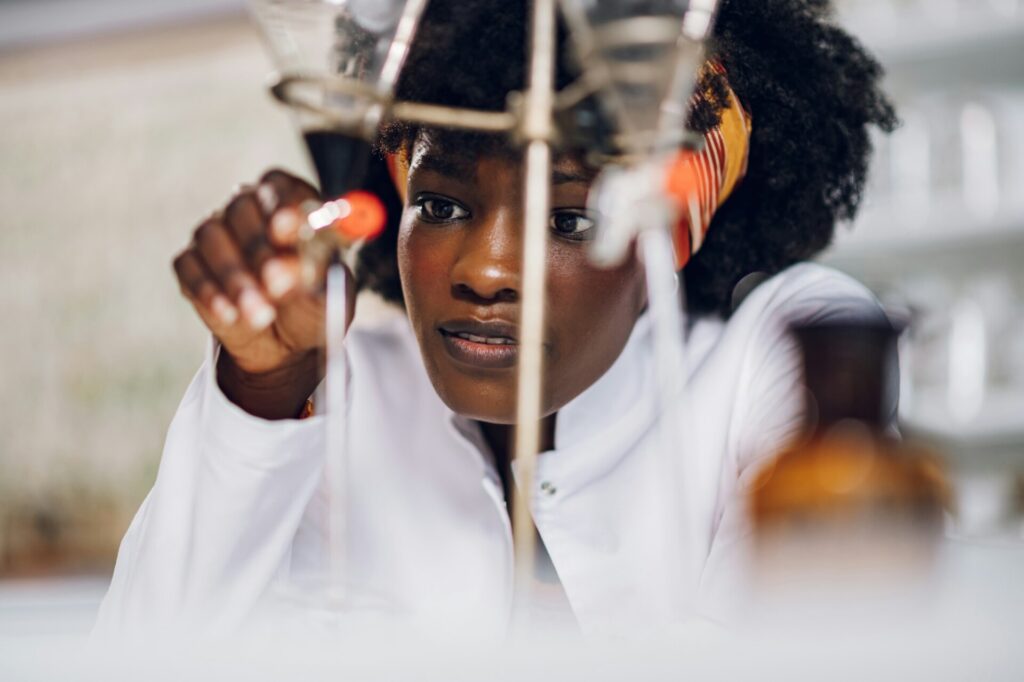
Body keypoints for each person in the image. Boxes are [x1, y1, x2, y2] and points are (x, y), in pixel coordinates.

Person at [96, 0, 898, 636]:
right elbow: (138, 656)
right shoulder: (333, 392)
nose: (483, 272)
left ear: (671, 238)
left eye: (572, 221)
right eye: (441, 204)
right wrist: (260, 392)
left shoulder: (781, 350)